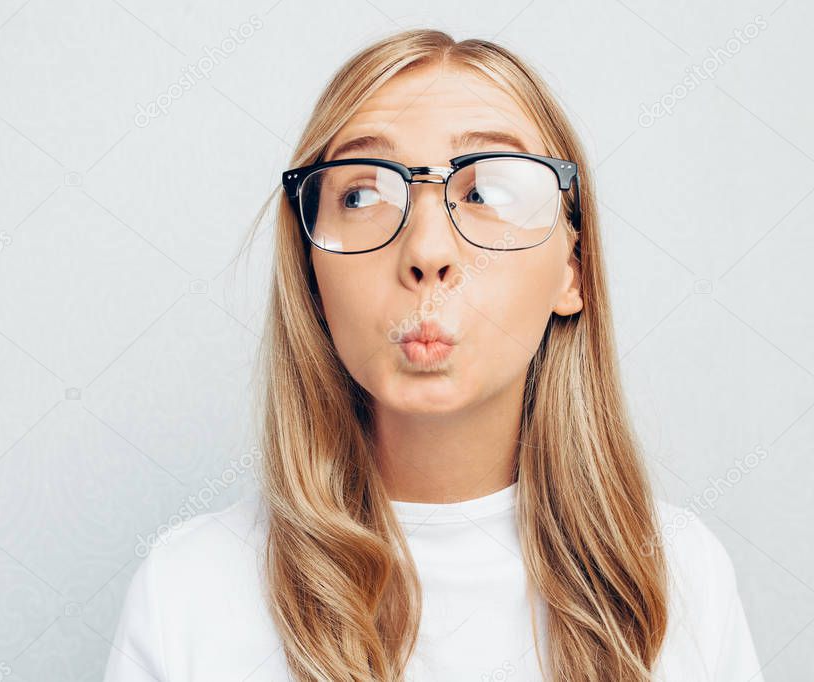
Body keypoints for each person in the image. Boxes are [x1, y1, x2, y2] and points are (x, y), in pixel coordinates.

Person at [103, 28, 765, 682]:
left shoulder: (677, 576)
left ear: (573, 269)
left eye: (488, 192)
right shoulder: (189, 592)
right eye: (362, 195)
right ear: (309, 272)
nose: (426, 251)